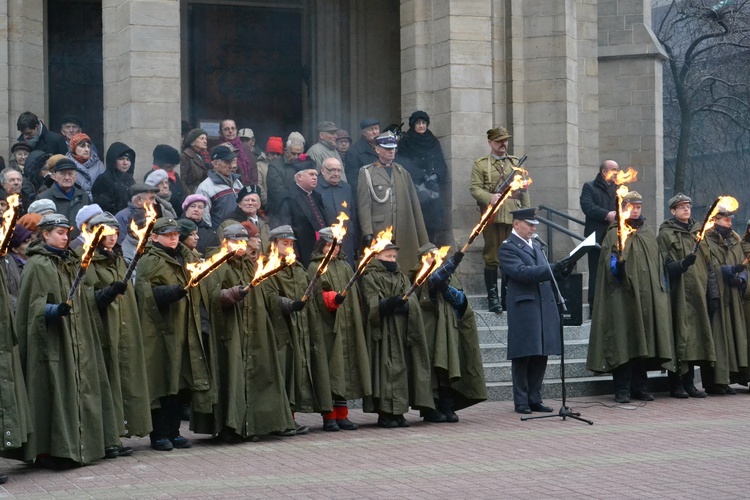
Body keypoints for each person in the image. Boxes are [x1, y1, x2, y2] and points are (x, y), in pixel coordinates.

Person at [16, 213, 119, 468]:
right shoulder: (38, 264)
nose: (64, 237)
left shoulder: (73, 263)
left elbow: (85, 302)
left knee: (82, 391)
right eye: (59, 233)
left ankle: (83, 446)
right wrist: (52, 310)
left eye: (66, 233)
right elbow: (31, 306)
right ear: (46, 234)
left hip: (78, 339)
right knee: (54, 393)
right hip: (52, 341)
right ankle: (50, 451)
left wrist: (108, 293)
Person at [194, 223, 295, 442]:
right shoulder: (215, 264)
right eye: (234, 241)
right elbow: (209, 296)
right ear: (225, 242)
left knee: (257, 376)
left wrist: (288, 304)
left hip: (255, 328)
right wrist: (232, 294)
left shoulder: (251, 265)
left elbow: (267, 294)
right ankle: (229, 427)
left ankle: (253, 426)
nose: (240, 246)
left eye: (243, 241)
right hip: (229, 331)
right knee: (231, 377)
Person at [587, 191, 675, 403]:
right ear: (624, 207)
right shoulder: (614, 233)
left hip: (646, 297)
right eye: (632, 206)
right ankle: (622, 388)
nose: (636, 210)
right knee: (623, 340)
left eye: (639, 206)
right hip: (621, 296)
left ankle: (640, 386)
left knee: (641, 341)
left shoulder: (647, 232)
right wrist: (619, 266)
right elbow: (610, 268)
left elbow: (655, 264)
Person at [134, 217, 212, 451]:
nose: (174, 237)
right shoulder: (150, 260)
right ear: (155, 237)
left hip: (184, 327)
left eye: (176, 234)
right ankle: (158, 434)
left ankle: (175, 431)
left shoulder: (187, 256)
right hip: (160, 331)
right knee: (161, 380)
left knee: (180, 382)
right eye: (168, 234)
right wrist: (172, 292)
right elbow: (145, 294)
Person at [84, 211, 152, 455]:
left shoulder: (119, 259)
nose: (112, 238)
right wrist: (110, 292)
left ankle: (116, 436)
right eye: (106, 233)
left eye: (115, 233)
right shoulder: (87, 261)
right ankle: (106, 439)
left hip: (123, 329)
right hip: (103, 331)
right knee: (106, 385)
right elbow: (87, 299)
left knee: (122, 384)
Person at [498, 208, 574, 413]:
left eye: (534, 225)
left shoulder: (537, 246)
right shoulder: (508, 247)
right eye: (529, 224)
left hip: (543, 304)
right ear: (516, 224)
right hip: (525, 307)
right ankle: (521, 400)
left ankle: (535, 397)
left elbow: (546, 272)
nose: (533, 228)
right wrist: (552, 268)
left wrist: (563, 269)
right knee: (524, 354)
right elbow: (520, 272)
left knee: (541, 352)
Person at [359, 241, 433, 428]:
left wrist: (405, 305)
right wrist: (387, 304)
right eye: (387, 256)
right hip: (382, 332)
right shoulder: (370, 276)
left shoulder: (401, 276)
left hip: (399, 331)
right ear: (377, 256)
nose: (391, 260)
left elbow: (413, 301)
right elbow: (370, 301)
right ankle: (384, 413)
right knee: (384, 370)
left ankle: (399, 412)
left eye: (393, 256)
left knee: (400, 368)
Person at [267, 226, 332, 434]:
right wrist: (289, 304)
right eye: (284, 243)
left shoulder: (298, 268)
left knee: (296, 372)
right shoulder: (268, 267)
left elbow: (310, 298)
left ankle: (290, 418)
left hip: (301, 327)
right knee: (283, 372)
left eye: (291, 243)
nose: (288, 246)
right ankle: (280, 420)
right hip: (280, 328)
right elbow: (269, 297)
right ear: (274, 244)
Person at [412, 243, 486, 422]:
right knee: (431, 370)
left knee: (447, 368)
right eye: (431, 255)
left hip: (448, 329)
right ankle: (431, 409)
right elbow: (435, 280)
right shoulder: (419, 276)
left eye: (437, 255)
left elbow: (461, 300)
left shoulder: (450, 276)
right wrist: (455, 260)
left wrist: (448, 289)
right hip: (429, 330)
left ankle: (447, 405)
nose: (435, 258)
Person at [307, 228, 371, 431]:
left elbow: (355, 295)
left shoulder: (345, 266)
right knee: (330, 370)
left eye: (336, 246)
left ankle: (342, 415)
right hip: (327, 327)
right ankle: (329, 416)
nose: (333, 250)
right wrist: (332, 300)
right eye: (328, 246)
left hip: (347, 326)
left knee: (344, 370)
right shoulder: (315, 267)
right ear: (321, 246)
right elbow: (317, 294)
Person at [469, 126, 531, 314]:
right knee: (492, 256)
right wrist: (490, 198)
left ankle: (507, 296)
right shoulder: (480, 164)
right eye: (499, 141)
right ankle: (493, 298)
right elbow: (474, 188)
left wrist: (527, 214)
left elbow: (524, 191)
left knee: (512, 256)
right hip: (493, 215)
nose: (503, 144)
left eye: (505, 140)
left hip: (514, 216)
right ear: (490, 143)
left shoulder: (516, 163)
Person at [657, 193, 713, 398]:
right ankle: (676, 384)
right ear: (673, 211)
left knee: (694, 338)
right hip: (676, 294)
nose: (686, 210)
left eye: (688, 206)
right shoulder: (666, 233)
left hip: (697, 291)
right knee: (677, 336)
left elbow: (709, 263)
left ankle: (689, 383)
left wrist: (711, 293)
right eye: (681, 207)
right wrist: (681, 265)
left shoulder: (699, 232)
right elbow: (664, 265)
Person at [358, 131, 429, 272]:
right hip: (380, 228)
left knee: (405, 265)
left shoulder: (402, 172)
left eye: (393, 148)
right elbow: (363, 205)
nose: (392, 151)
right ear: (377, 149)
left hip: (403, 228)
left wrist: (421, 235)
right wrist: (367, 231)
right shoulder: (366, 172)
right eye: (387, 148)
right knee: (380, 266)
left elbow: (414, 205)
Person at [702, 209, 748, 395]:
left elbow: (742, 263)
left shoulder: (735, 241)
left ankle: (727, 378)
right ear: (715, 221)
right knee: (718, 338)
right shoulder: (706, 240)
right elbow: (709, 266)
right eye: (725, 220)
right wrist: (726, 270)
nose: (729, 223)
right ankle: (715, 381)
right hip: (717, 294)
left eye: (730, 220)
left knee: (732, 337)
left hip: (733, 295)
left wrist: (742, 278)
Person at [398, 111, 450, 245]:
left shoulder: (432, 140)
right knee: (417, 222)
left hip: (432, 190)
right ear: (413, 125)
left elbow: (440, 162)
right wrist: (421, 176)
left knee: (434, 222)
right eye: (418, 123)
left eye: (423, 123)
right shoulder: (406, 141)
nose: (421, 126)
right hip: (415, 188)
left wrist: (435, 176)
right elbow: (403, 163)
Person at [276, 156, 330, 267]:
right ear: (299, 177)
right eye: (311, 174)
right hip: (303, 249)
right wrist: (294, 253)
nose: (315, 178)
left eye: (316, 175)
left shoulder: (316, 195)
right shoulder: (288, 197)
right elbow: (286, 228)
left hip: (321, 248)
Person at [579, 160, 618, 312]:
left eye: (617, 169)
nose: (617, 172)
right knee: (596, 271)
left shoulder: (619, 188)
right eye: (614, 169)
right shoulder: (589, 187)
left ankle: (612, 305)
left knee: (614, 269)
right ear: (604, 172)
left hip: (615, 236)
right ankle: (595, 306)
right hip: (596, 236)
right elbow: (587, 206)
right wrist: (606, 214)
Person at [315, 157, 358, 266]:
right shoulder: (315, 188)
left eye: (339, 170)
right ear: (323, 170)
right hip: (324, 242)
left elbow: (352, 213)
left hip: (345, 241)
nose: (336, 174)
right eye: (332, 170)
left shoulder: (346, 188)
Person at [35, 157, 92, 238]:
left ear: (75, 176)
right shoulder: (43, 199)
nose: (67, 178)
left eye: (70, 174)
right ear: (54, 176)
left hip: (79, 247)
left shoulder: (84, 197)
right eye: (62, 174)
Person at [195, 145, 244, 229]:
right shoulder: (205, 187)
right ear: (215, 163)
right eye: (226, 162)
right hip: (220, 235)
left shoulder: (237, 182)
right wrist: (211, 236)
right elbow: (204, 217)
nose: (230, 166)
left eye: (231, 162)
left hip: (241, 233)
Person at [92, 142, 137, 215]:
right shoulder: (103, 181)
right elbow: (104, 209)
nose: (125, 163)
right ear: (113, 160)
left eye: (128, 159)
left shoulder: (129, 180)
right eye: (121, 159)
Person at [266, 135, 305, 215]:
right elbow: (278, 192)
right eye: (293, 154)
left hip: (301, 211)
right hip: (280, 212)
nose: (296, 157)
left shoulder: (304, 166)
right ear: (286, 151)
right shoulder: (274, 166)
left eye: (299, 154)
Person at [148, 145, 186, 217]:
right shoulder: (151, 177)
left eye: (174, 166)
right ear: (160, 164)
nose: (172, 169)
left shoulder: (175, 175)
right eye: (169, 166)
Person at [345, 118, 380, 193]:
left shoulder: (383, 147)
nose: (375, 132)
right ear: (363, 133)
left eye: (376, 128)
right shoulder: (353, 152)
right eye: (371, 130)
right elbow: (353, 181)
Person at [230, 186, 270, 251]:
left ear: (259, 205)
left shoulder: (267, 224)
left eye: (253, 200)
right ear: (239, 204)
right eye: (246, 200)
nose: (250, 203)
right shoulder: (231, 223)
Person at [66, 133, 105, 199]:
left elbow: (104, 187)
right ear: (74, 147)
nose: (87, 149)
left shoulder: (98, 164)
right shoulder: (66, 164)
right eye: (82, 146)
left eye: (88, 146)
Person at [218, 119, 255, 187]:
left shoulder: (246, 149)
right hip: (224, 188)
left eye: (233, 128)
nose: (230, 131)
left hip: (246, 190)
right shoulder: (216, 150)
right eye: (226, 129)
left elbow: (253, 172)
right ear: (220, 132)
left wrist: (251, 190)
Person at [180, 128, 211, 193]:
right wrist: (190, 197)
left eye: (205, 139)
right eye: (202, 138)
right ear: (192, 142)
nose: (205, 141)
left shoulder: (205, 156)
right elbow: (182, 181)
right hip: (193, 194)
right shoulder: (185, 157)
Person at [256, 136, 283, 209]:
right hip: (265, 206)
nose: (275, 156)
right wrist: (266, 201)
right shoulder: (259, 166)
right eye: (272, 153)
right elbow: (258, 185)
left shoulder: (283, 166)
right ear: (267, 153)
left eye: (278, 154)